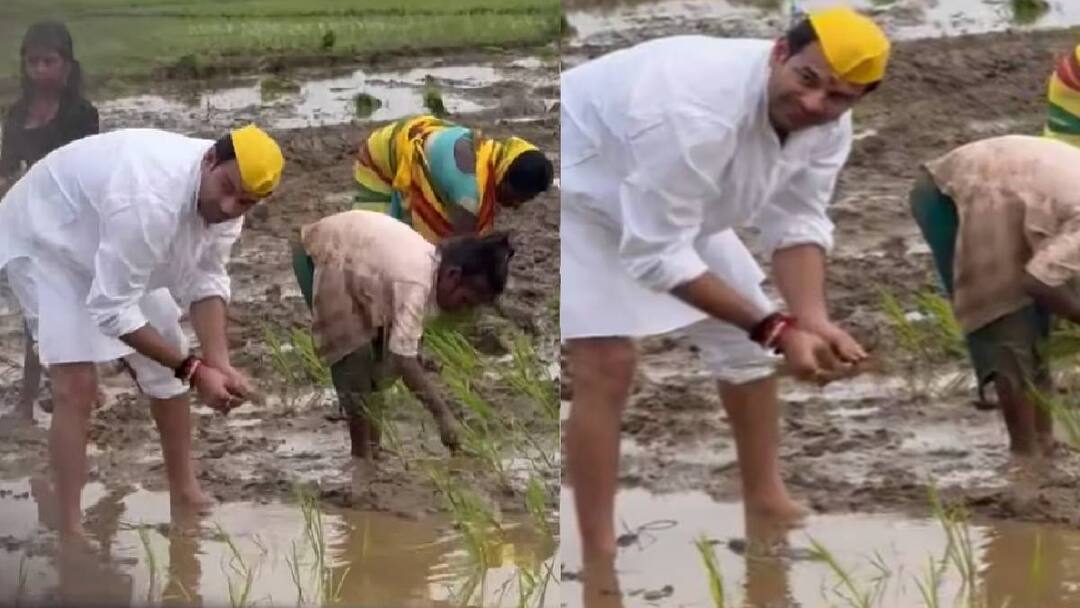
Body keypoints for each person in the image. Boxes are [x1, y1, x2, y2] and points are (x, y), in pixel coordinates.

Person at [560, 6, 889, 565]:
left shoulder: (827, 125)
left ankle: (765, 497)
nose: (815, 104)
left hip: (674, 201)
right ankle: (598, 551)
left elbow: (798, 220)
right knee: (607, 363)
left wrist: (810, 318)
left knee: (745, 349)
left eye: (837, 97)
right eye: (807, 80)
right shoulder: (693, 110)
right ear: (779, 52)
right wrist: (775, 327)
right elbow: (657, 256)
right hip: (581, 187)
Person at [0, 124, 284, 547]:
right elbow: (111, 309)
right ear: (209, 160)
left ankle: (185, 491)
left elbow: (206, 277)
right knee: (75, 387)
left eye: (244, 202)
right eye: (226, 188)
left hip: (110, 238)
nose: (228, 205)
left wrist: (217, 360)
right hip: (51, 238)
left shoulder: (228, 206)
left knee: (167, 368)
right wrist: (193, 369)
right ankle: (70, 527)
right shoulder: (150, 198)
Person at [291, 210, 515, 460]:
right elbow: (403, 358)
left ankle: (373, 449)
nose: (462, 310)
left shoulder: (431, 270)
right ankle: (361, 457)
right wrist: (442, 414)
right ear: (453, 276)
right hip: (322, 253)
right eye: (465, 301)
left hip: (354, 261)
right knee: (355, 358)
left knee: (379, 361)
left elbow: (396, 354)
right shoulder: (416, 281)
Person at [909, 135, 1080, 458]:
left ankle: (1045, 441)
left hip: (1015, 186)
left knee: (1040, 331)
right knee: (1006, 322)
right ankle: (1025, 457)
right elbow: (1039, 283)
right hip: (957, 192)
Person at [0, 21, 100, 422]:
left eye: (48, 61)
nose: (39, 70)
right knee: (30, 310)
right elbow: (6, 167)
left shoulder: (80, 115)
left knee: (52, 311)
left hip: (64, 223)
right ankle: (33, 399)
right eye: (31, 62)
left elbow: (84, 172)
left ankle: (64, 392)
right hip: (22, 217)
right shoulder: (17, 114)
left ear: (67, 66)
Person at [351, 114, 554, 242]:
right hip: (382, 156)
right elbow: (460, 249)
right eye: (518, 198)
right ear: (506, 180)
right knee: (373, 237)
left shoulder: (491, 155)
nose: (516, 206)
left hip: (419, 140)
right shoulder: (468, 193)